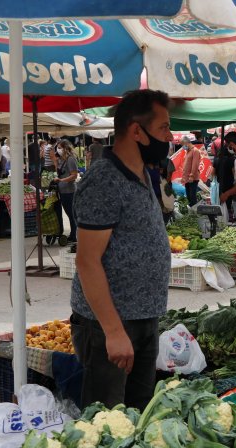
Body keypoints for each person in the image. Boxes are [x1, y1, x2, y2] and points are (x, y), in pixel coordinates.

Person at [71, 89, 173, 410]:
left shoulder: (143, 173)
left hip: (143, 318)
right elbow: (87, 262)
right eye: (163, 128)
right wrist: (113, 331)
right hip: (110, 326)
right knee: (107, 419)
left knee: (139, 412)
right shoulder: (104, 180)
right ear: (136, 132)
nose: (169, 136)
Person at [53, 140, 79, 242]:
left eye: (60, 147)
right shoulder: (61, 159)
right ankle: (72, 235)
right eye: (57, 148)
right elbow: (60, 172)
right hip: (62, 190)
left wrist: (61, 180)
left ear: (65, 148)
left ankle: (74, 236)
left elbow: (74, 175)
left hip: (69, 191)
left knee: (71, 214)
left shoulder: (71, 159)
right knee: (68, 213)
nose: (58, 150)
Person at [180, 136, 201, 207]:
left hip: (192, 178)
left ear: (186, 143)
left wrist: (191, 175)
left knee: (192, 196)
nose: (182, 146)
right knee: (188, 196)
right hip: (187, 178)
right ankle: (192, 211)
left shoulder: (195, 151)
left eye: (182, 144)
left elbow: (195, 165)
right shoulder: (188, 151)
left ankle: (194, 212)